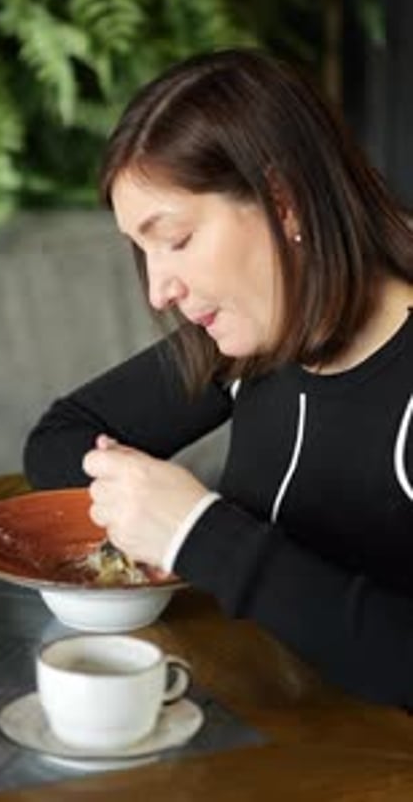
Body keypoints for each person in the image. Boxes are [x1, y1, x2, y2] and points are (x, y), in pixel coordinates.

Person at [24, 48, 413, 708]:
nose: (157, 290)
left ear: (284, 202)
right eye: (140, 250)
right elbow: (62, 436)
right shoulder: (255, 340)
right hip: (258, 727)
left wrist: (200, 533)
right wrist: (144, 507)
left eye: (173, 239)